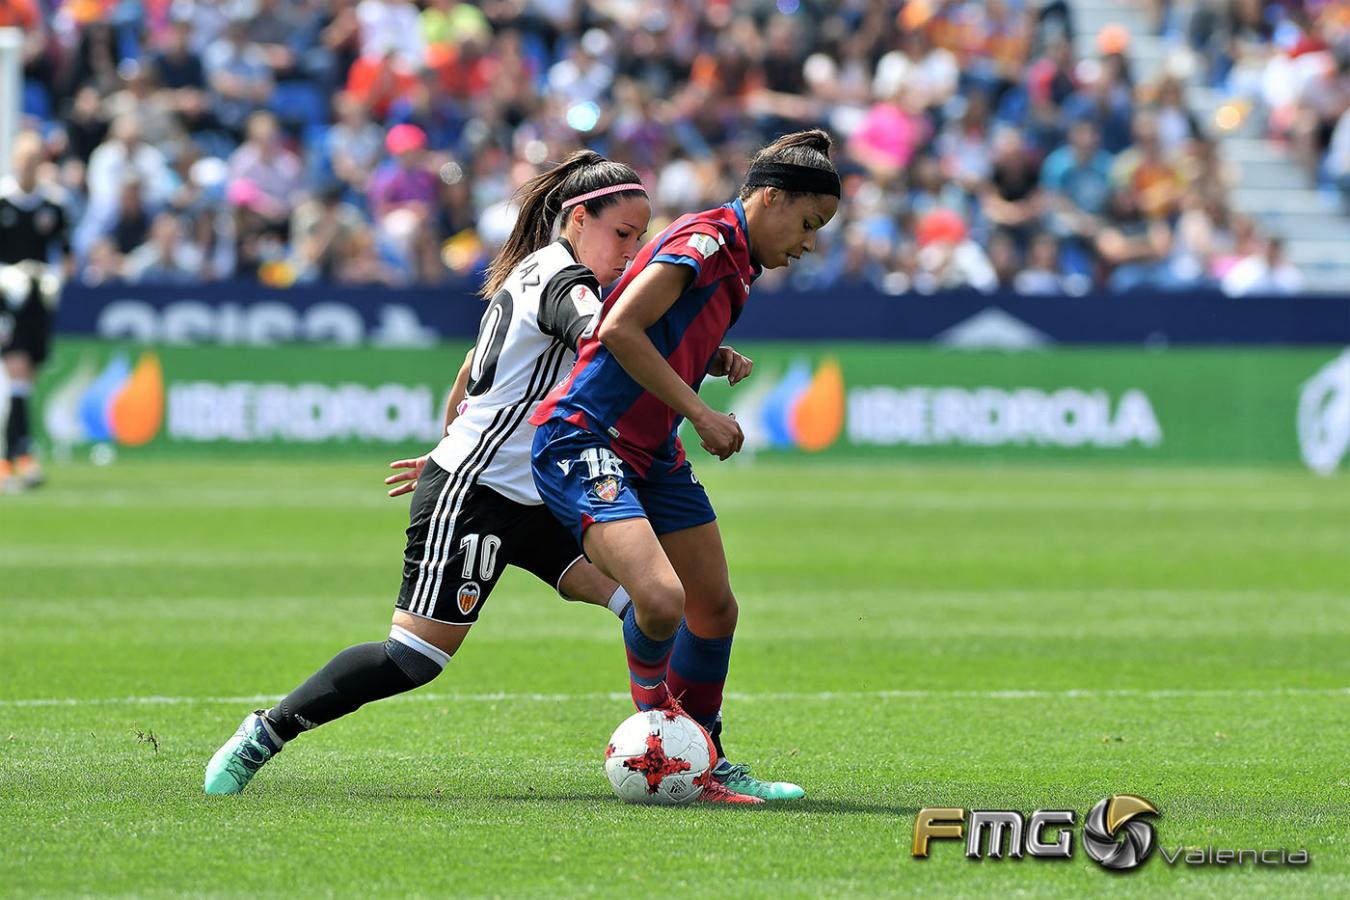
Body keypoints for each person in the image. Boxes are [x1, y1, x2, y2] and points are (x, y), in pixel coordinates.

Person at [204, 150, 652, 794]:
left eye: (639, 237)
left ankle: (689, 755)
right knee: (414, 658)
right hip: (478, 496)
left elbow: (474, 364)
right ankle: (266, 732)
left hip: (535, 494)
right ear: (578, 219)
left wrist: (451, 439)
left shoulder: (538, 269)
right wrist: (458, 457)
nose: (631, 248)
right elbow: (608, 338)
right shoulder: (569, 284)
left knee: (651, 604)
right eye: (623, 234)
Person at [530, 129, 841, 803]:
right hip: (587, 438)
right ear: (769, 199)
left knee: (714, 608)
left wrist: (710, 356)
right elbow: (618, 329)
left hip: (651, 452)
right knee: (663, 600)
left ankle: (703, 755)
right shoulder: (703, 241)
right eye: (808, 223)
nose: (808, 242)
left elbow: (659, 331)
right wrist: (700, 413)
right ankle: (666, 746)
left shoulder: (738, 269)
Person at [0, 132, 72, 492]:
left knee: (25, 382)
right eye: (22, 158)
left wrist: (53, 278)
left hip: (36, 304)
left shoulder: (53, 205)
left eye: (34, 159)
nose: (28, 165)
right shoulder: (2, 201)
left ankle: (15, 455)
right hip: (4, 301)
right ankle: (17, 459)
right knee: (16, 374)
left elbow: (67, 251)